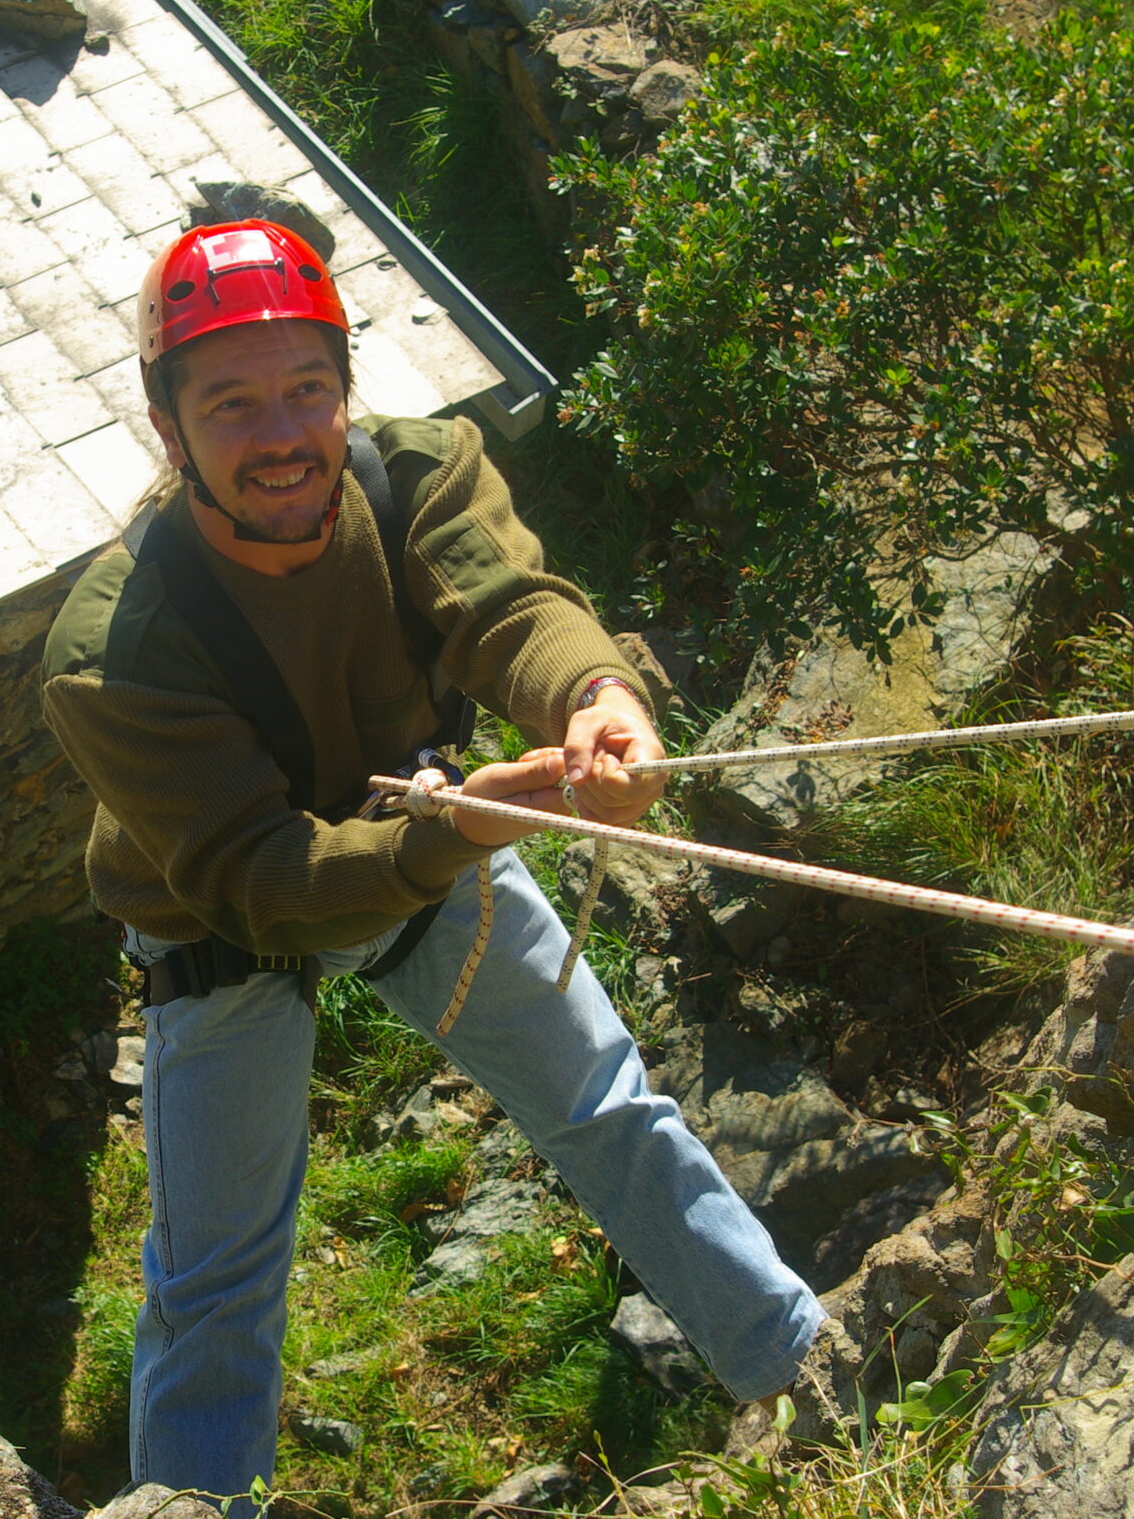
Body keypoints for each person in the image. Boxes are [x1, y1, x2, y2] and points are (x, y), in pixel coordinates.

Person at [40, 220, 820, 1511]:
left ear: (347, 390)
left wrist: (600, 697)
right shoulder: (112, 652)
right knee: (218, 1273)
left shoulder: (414, 475)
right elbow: (265, 882)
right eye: (231, 404)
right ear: (168, 428)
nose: (282, 434)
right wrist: (459, 832)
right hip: (222, 916)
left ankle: (804, 1376)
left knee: (609, 1107)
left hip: (431, 834)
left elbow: (512, 609)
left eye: (308, 388)